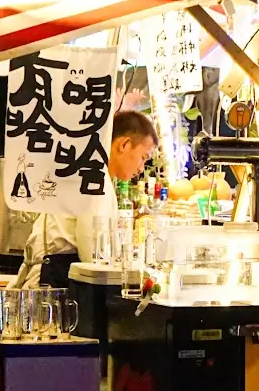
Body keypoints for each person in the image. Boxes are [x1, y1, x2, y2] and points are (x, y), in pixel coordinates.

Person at [12, 110, 158, 288]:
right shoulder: (94, 180)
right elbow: (93, 254)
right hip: (52, 282)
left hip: (50, 275)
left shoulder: (91, 170)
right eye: (143, 157)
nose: (142, 168)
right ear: (125, 144)